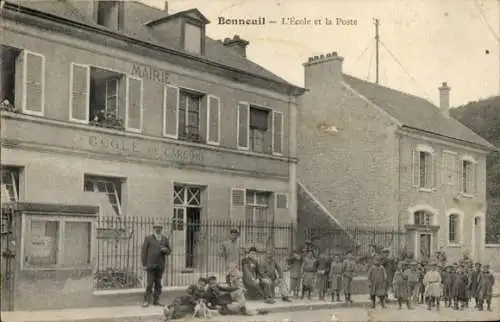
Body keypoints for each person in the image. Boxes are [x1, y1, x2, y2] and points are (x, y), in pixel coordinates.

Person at [141, 221, 172, 307]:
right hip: (150, 265)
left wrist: (166, 250)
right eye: (156, 227)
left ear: (161, 229)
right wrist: (144, 264)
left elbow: (169, 251)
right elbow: (144, 252)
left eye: (159, 227)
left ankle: (156, 300)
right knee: (150, 283)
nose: (158, 229)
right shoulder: (148, 238)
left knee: (158, 284)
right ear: (154, 228)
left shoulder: (165, 239)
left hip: (160, 265)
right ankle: (146, 300)